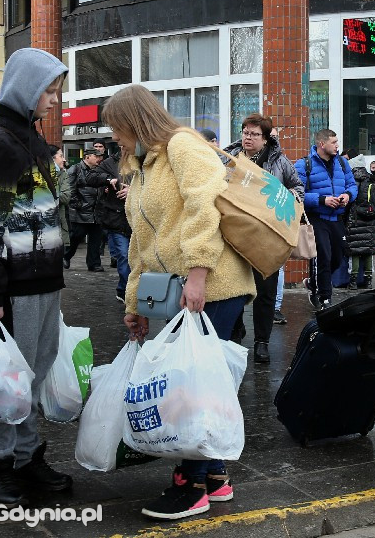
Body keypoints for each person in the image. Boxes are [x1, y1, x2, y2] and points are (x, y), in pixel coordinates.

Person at [103, 84, 255, 520]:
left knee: (190, 388)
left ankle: (190, 486)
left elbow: (205, 208)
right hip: (181, 288)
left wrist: (198, 274)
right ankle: (215, 477)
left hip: (214, 285)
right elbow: (141, 242)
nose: (114, 137)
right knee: (200, 383)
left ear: (134, 121)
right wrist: (134, 303)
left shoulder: (183, 146)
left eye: (116, 128)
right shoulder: (143, 166)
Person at [0, 47, 71, 507]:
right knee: (5, 378)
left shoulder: (28, 135)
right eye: (49, 91)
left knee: (32, 376)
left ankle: (25, 458)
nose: (54, 100)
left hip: (43, 281)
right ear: (27, 88)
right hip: (14, 288)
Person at [224, 113, 303, 363]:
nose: (248, 137)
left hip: (267, 238)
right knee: (234, 289)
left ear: (266, 138)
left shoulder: (279, 161)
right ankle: (236, 331)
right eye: (245, 132)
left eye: (254, 134)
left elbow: (298, 188)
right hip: (235, 236)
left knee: (266, 292)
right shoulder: (230, 158)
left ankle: (262, 342)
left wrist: (286, 196)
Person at [294, 129, 357, 310]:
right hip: (317, 218)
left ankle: (313, 283)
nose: (337, 146)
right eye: (334, 142)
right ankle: (324, 298)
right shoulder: (304, 165)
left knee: (338, 257)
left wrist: (347, 195)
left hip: (337, 218)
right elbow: (297, 194)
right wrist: (322, 200)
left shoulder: (343, 163)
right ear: (322, 144)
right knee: (323, 256)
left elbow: (352, 185)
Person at [95, 145, 132, 304]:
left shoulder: (143, 161)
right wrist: (108, 180)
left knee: (135, 259)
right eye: (122, 145)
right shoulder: (110, 162)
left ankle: (127, 289)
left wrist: (133, 190)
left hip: (137, 219)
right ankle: (125, 291)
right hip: (116, 218)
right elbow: (92, 177)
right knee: (123, 255)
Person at [63, 143, 108, 271]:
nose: (99, 159)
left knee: (95, 238)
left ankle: (94, 264)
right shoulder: (75, 169)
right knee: (76, 236)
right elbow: (70, 190)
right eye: (96, 156)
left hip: (96, 210)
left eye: (100, 156)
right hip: (80, 211)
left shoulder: (99, 170)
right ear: (87, 157)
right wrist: (78, 205)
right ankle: (65, 256)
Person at [346, 155, 375, 289]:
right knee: (368, 250)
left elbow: (348, 201)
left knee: (355, 250)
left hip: (355, 220)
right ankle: (368, 280)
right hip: (369, 219)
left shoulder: (352, 181)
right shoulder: (370, 179)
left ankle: (353, 281)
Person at [48, 145, 71, 252]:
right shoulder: (36, 174)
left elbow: (66, 197)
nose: (64, 159)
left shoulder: (63, 174)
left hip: (58, 224)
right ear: (52, 158)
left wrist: (47, 194)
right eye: (61, 156)